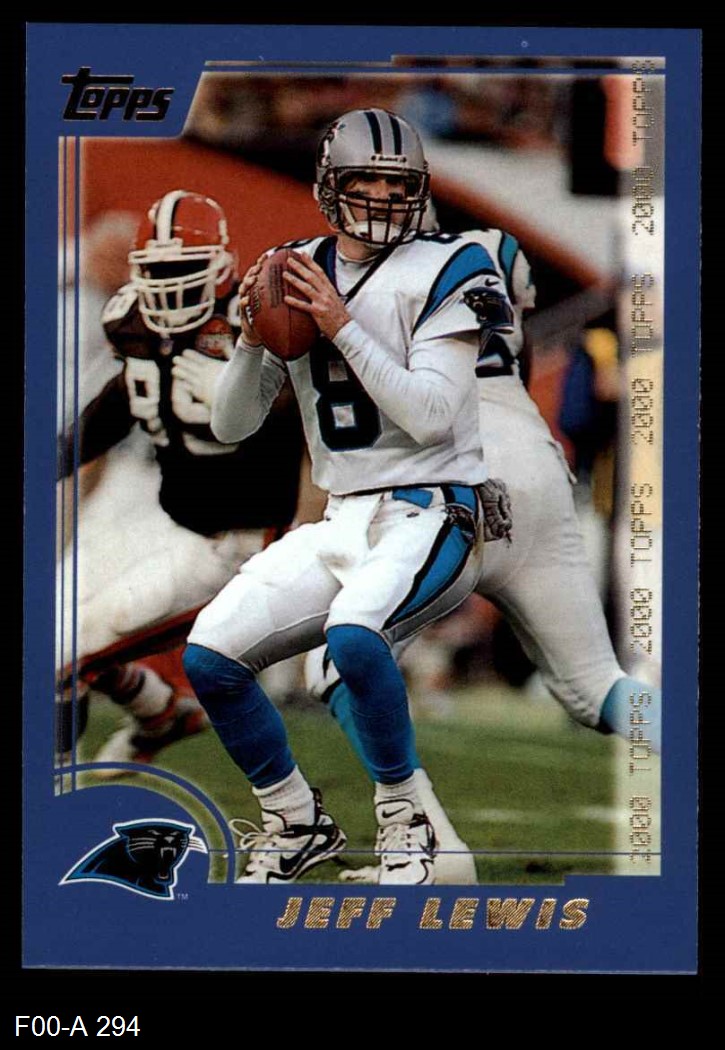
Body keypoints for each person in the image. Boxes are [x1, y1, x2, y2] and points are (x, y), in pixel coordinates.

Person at [182, 108, 517, 885]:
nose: (382, 196)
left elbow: (431, 415)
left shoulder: (452, 262)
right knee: (211, 656)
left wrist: (338, 323)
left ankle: (410, 830)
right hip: (342, 517)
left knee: (354, 638)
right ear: (329, 186)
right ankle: (294, 821)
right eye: (365, 179)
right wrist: (250, 341)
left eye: (397, 183)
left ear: (419, 189)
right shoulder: (292, 267)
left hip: (434, 507)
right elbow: (230, 425)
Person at [305, 216, 662, 883]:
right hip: (533, 465)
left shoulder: (355, 272)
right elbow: (513, 352)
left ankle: (429, 848)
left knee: (334, 664)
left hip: (448, 476)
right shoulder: (496, 250)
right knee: (596, 684)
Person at [58, 190, 304, 772]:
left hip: (238, 540)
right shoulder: (133, 322)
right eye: (158, 271)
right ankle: (162, 713)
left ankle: (49, 798)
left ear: (220, 266)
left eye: (183, 270)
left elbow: (311, 429)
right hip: (169, 524)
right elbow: (119, 404)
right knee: (58, 631)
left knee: (63, 657)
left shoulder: (262, 323)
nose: (169, 287)